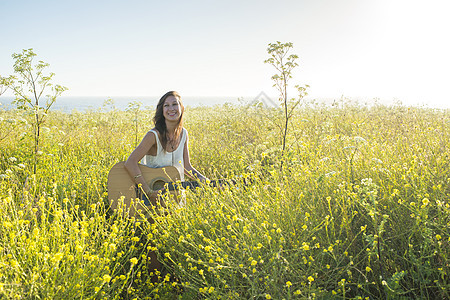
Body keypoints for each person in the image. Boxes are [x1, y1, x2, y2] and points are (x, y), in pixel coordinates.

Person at [124, 91, 208, 206]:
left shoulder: (184, 134)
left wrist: (206, 181)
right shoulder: (153, 135)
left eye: (175, 104)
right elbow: (130, 162)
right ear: (162, 111)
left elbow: (186, 167)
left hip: (176, 197)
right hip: (151, 197)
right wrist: (148, 192)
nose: (171, 109)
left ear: (181, 108)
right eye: (166, 105)